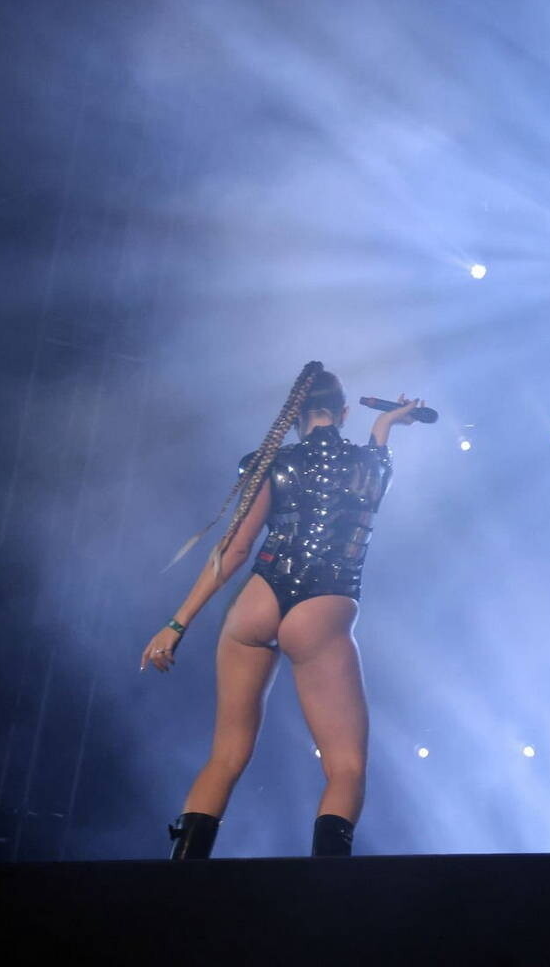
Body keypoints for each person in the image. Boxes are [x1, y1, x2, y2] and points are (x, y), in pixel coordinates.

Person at [142, 362, 423, 859]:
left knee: (225, 757)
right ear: (343, 412)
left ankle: (179, 879)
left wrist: (175, 624)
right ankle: (323, 891)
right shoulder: (372, 465)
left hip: (258, 600)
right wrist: (387, 423)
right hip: (322, 608)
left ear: (295, 416)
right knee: (345, 768)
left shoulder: (272, 461)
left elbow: (235, 550)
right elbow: (376, 460)